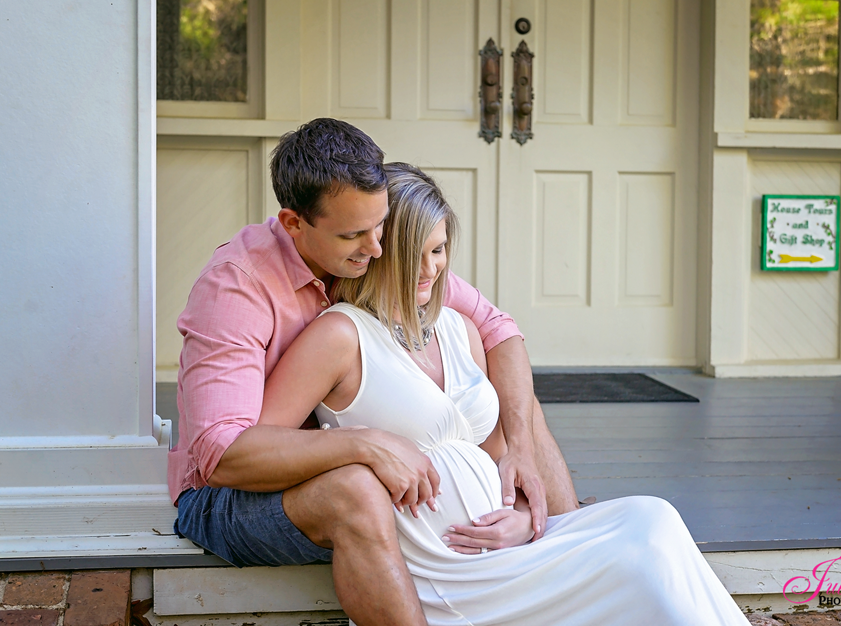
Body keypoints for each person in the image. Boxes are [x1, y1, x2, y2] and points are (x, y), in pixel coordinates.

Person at [256, 163, 750, 626]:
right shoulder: (339, 336)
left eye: (439, 249)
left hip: (509, 549)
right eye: (415, 254)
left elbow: (495, 453)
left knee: (654, 516)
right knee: (636, 563)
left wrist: (518, 518)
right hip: (447, 571)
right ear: (382, 250)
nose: (430, 269)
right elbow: (263, 445)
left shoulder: (457, 329)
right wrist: (358, 449)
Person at [169, 118, 578, 626]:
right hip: (231, 499)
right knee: (356, 488)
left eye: (380, 224)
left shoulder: (378, 258)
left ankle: (565, 550)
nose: (378, 248)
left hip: (338, 475)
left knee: (517, 403)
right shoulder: (237, 290)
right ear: (294, 223)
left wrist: (519, 449)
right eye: (353, 234)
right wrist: (364, 444)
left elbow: (498, 331)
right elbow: (223, 459)